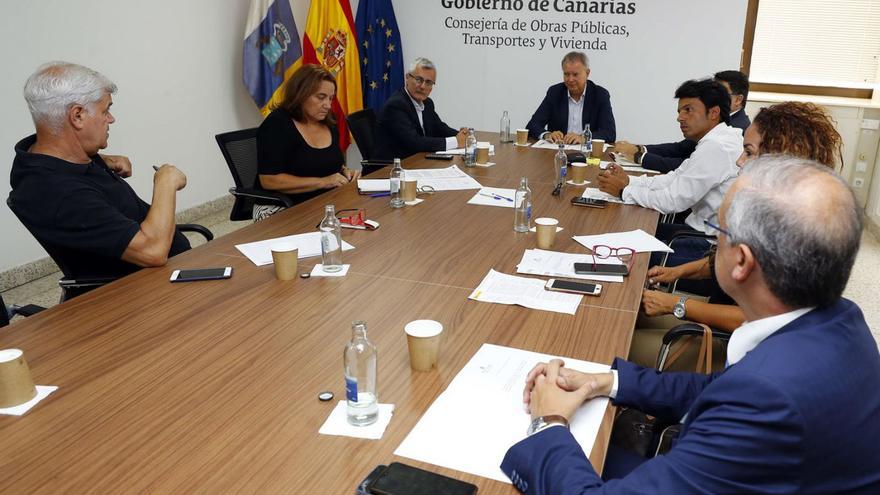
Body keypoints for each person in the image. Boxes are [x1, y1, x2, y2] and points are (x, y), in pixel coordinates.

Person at [502, 155, 880, 493]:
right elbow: (719, 387)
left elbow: (746, 397)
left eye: (720, 232)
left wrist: (548, 421)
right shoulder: (841, 320)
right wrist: (604, 381)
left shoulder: (768, 401)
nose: (713, 241)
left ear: (742, 262)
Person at [631, 101, 845, 370]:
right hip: (709, 319)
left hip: (728, 349)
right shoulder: (769, 209)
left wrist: (676, 303)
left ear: (779, 159)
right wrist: (678, 272)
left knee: (616, 343)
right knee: (625, 314)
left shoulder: (796, 232)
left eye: (748, 153)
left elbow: (754, 319)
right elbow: (732, 264)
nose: (739, 161)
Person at [9, 61, 191, 283]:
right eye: (105, 110)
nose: (111, 119)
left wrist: (102, 160)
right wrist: (165, 183)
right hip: (141, 291)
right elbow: (152, 251)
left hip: (174, 269)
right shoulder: (59, 194)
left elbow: (60, 166)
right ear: (77, 116)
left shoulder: (46, 158)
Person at [596, 78, 742, 268]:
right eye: (679, 111)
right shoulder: (715, 141)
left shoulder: (718, 147)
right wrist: (629, 181)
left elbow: (672, 201)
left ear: (714, 113)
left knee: (617, 252)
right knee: (622, 230)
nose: (679, 117)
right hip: (698, 232)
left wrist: (624, 191)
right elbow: (674, 178)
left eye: (688, 110)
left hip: (707, 246)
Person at [255, 64, 359, 221]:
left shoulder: (329, 122)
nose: (328, 105)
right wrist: (323, 182)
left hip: (321, 200)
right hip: (280, 206)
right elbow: (269, 180)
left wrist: (345, 172)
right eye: (321, 97)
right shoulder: (277, 124)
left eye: (331, 98)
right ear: (301, 94)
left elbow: (332, 162)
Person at [613, 70, 750, 173]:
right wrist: (639, 149)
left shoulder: (738, 130)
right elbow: (682, 148)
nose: (715, 96)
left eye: (722, 93)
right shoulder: (719, 123)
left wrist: (639, 156)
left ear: (738, 100)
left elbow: (688, 166)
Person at [374, 57, 466, 160]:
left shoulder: (427, 103)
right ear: (407, 78)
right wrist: (456, 141)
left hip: (416, 162)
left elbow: (439, 128)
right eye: (419, 80)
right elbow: (414, 142)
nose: (423, 86)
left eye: (428, 82)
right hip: (390, 169)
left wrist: (462, 136)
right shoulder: (396, 105)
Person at [526, 51, 615, 143]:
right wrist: (547, 135)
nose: (570, 79)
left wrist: (584, 138)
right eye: (566, 74)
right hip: (558, 152)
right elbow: (532, 125)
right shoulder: (555, 92)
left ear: (587, 73)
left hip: (588, 153)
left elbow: (609, 133)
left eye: (575, 74)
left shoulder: (600, 95)